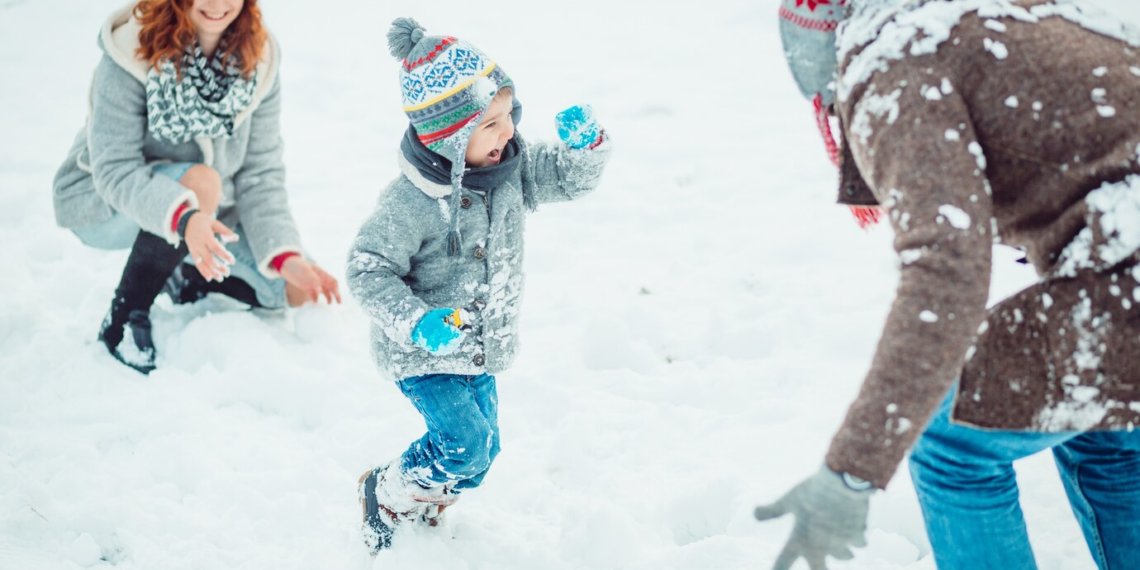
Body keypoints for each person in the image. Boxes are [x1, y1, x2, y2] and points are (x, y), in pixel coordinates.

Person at [755, 1, 1140, 569]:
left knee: (952, 444)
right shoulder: (1012, 17)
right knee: (1103, 430)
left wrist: (853, 470)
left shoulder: (894, 64)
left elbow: (947, 269)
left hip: (1124, 283)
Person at [347, 18, 611, 552]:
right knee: (464, 446)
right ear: (448, 138)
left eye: (508, 116)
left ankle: (429, 494)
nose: (507, 133)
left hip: (480, 346)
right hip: (422, 353)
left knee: (483, 456)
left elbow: (563, 177)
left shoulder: (510, 171)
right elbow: (366, 267)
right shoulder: (410, 203)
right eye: (488, 126)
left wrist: (585, 151)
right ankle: (389, 489)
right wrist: (416, 322)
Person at [52, 0, 340, 374]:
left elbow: (260, 173)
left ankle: (183, 276)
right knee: (202, 183)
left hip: (208, 208)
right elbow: (115, 169)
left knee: (298, 289)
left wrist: (286, 256)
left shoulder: (260, 57)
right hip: (103, 202)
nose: (219, 5)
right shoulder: (129, 50)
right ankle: (124, 318)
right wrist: (185, 220)